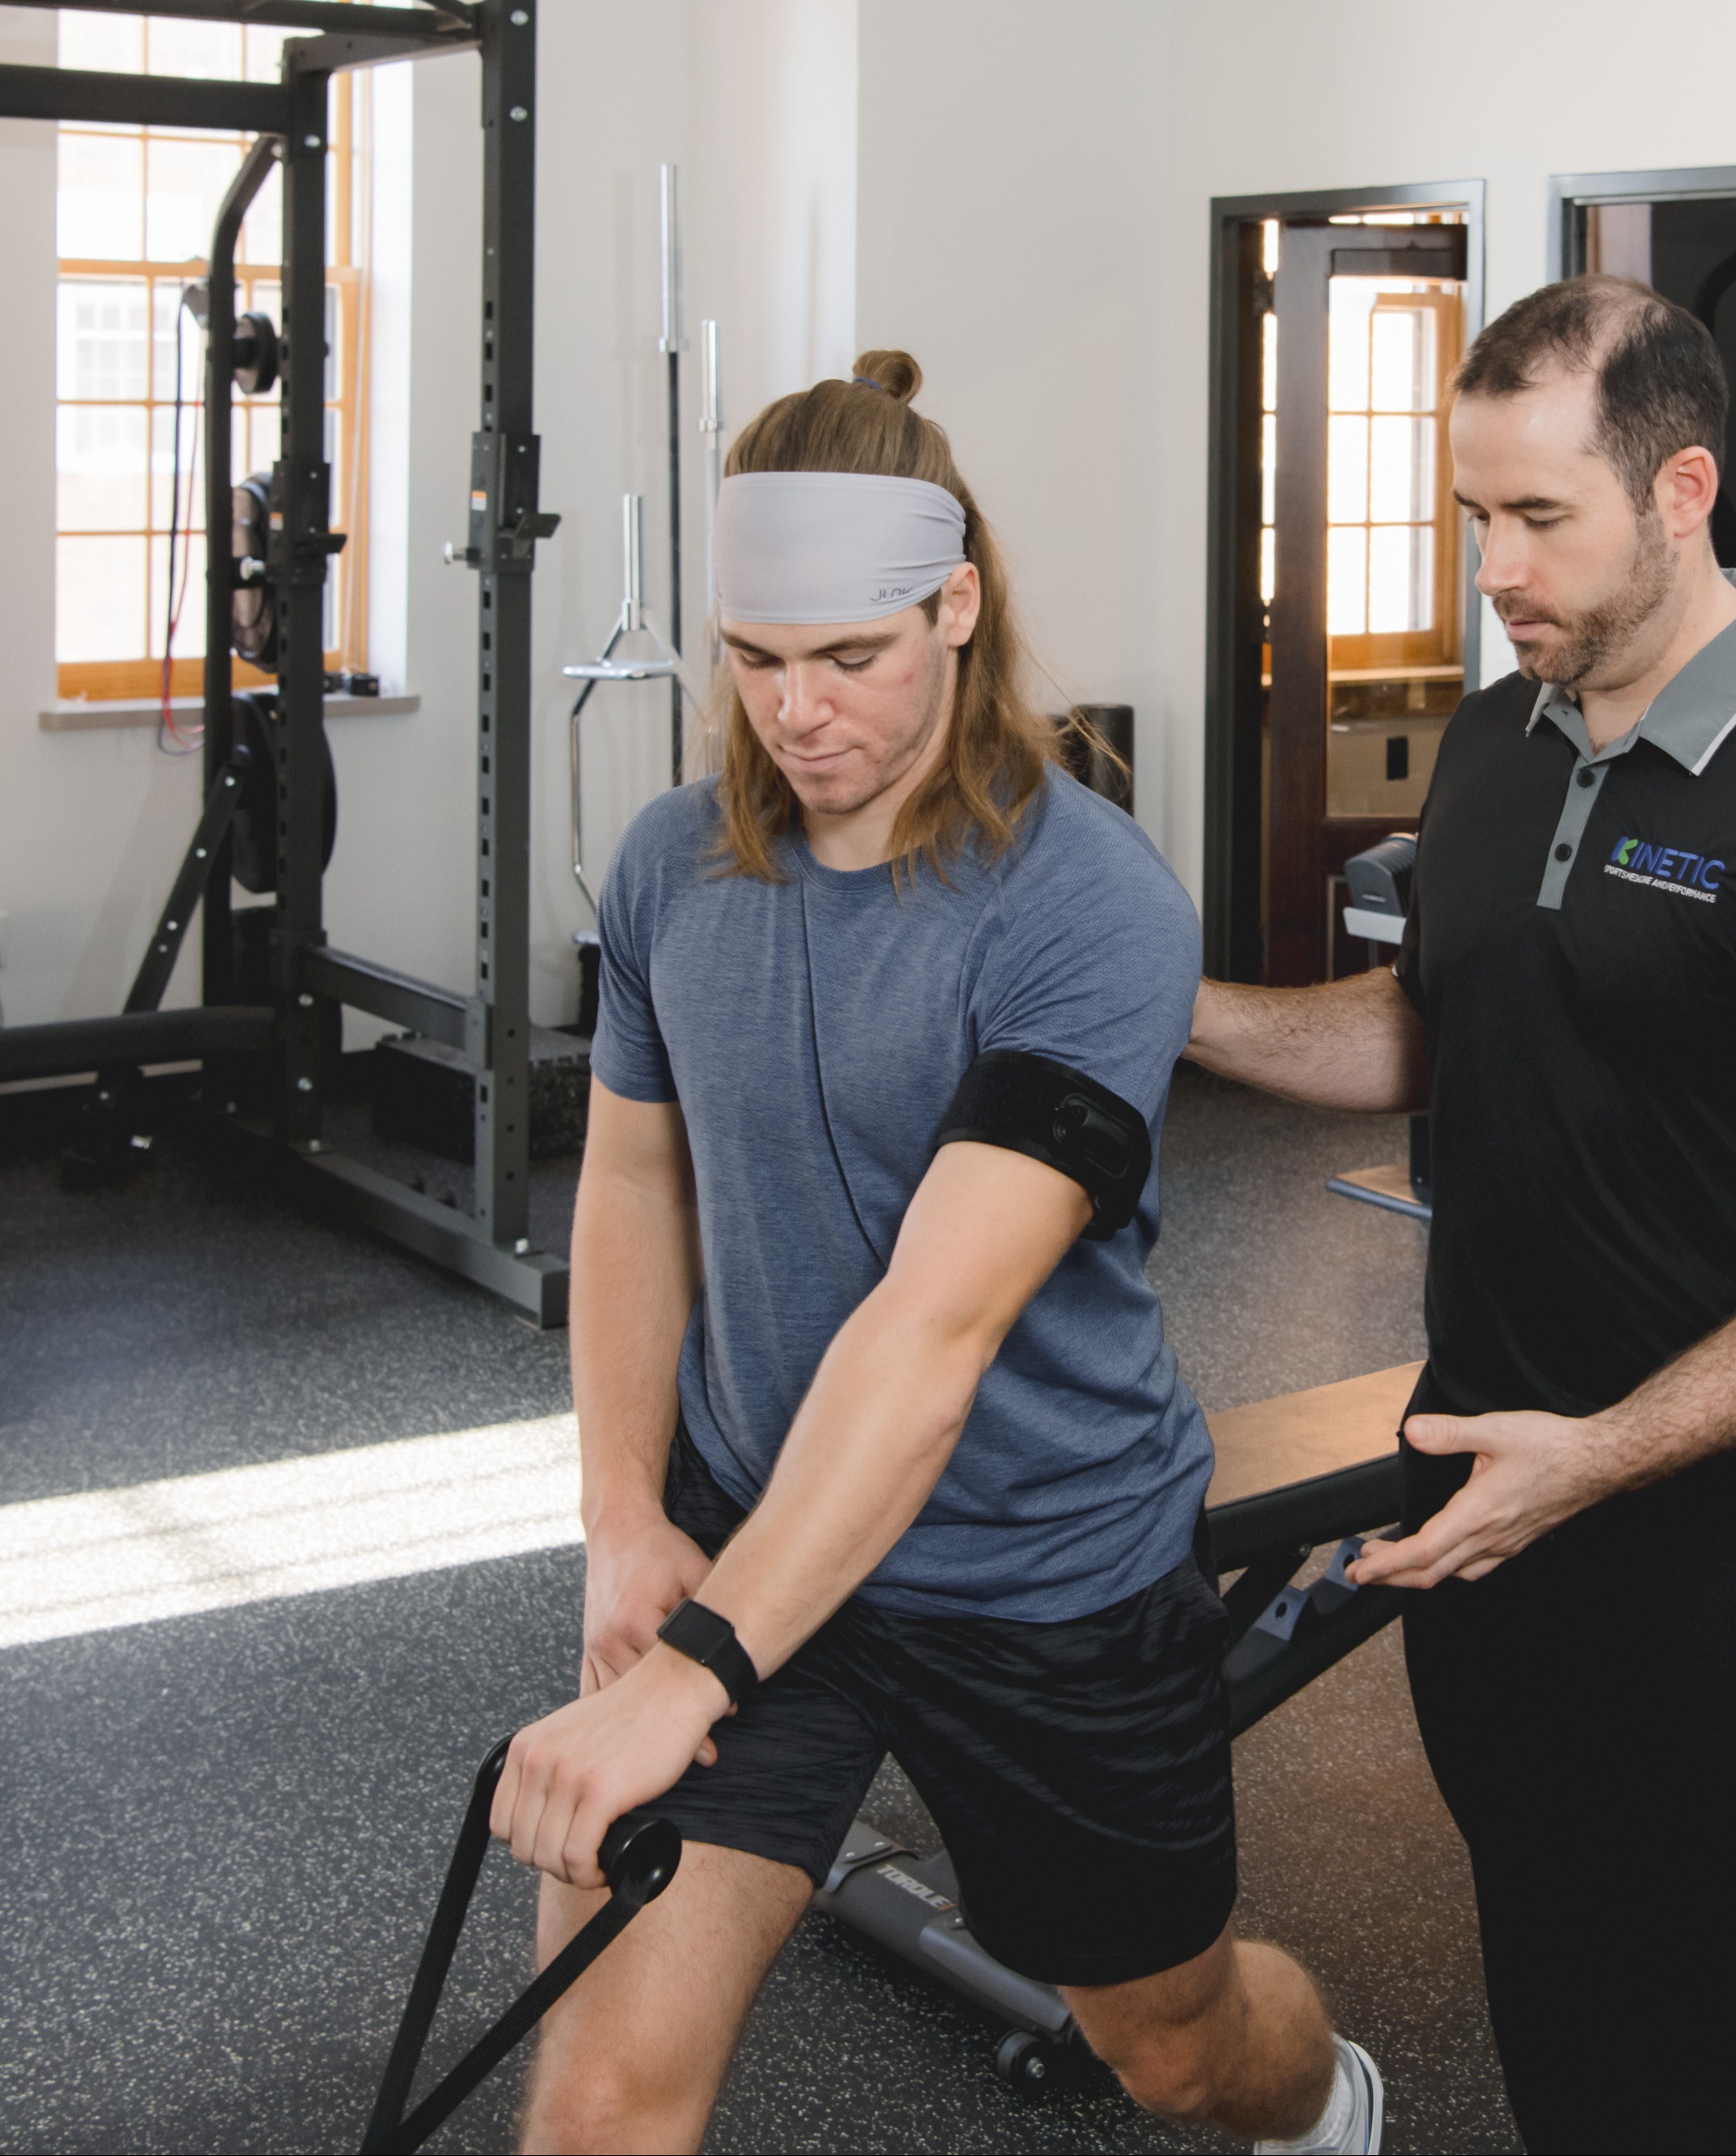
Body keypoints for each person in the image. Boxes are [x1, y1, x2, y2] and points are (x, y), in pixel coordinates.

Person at [492, 352, 1381, 2156]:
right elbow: (636, 1188)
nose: (794, 710)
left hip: (1039, 1568)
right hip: (757, 1535)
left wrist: (695, 1669)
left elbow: (934, 1325)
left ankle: (1326, 2100)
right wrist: (624, 1512)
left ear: (956, 605)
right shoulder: (670, 868)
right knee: (596, 2103)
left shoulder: (1086, 905)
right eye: (755, 658)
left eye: (850, 656)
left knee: (1177, 2051)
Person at [1188, 276, 1736, 2154]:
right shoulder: (1501, 739)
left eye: (1542, 516)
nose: (1497, 565)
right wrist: (1174, 1005)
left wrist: (1604, 1452)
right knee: (1555, 2011)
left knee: (1684, 2068)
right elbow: (1439, 1025)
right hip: (1489, 1496)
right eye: (1474, 514)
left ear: (1682, 491)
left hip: (1734, 1559)